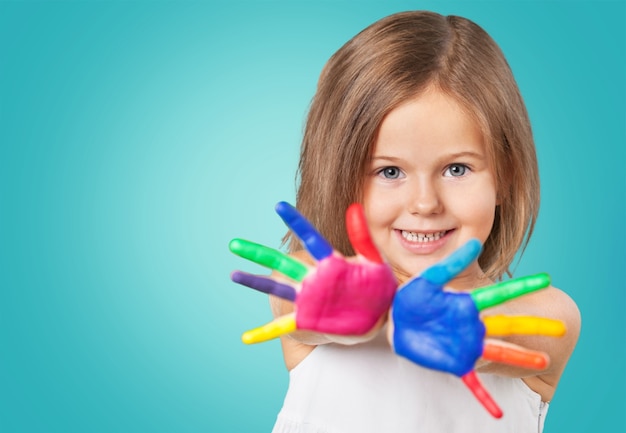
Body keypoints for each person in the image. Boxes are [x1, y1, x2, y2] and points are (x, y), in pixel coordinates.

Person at [239, 10, 581, 432]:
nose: (424, 203)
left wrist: (462, 325)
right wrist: (337, 300)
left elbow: (536, 329)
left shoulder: (543, 314)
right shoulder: (322, 283)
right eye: (389, 172)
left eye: (456, 169)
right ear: (342, 176)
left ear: (506, 174)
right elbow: (294, 294)